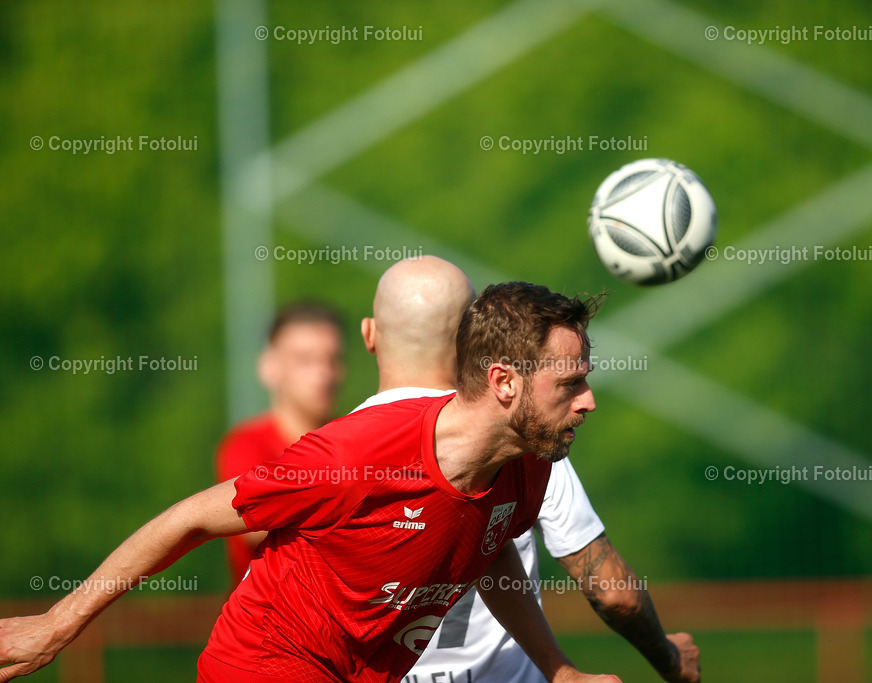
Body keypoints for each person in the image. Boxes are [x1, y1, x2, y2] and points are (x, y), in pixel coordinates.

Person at [0, 281, 618, 683]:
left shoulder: (529, 465)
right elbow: (186, 519)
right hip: (265, 665)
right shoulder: (360, 453)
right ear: (506, 382)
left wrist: (559, 670)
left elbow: (488, 546)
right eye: (570, 383)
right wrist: (55, 625)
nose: (588, 401)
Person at [355, 257, 700, 683]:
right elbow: (614, 594)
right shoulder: (521, 440)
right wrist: (668, 656)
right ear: (472, 342)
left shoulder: (340, 452)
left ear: (369, 335)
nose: (587, 401)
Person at [216, 301, 345, 588]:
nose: (323, 374)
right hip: (263, 627)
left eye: (333, 359)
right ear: (269, 367)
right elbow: (254, 524)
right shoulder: (245, 446)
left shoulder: (356, 441)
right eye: (305, 360)